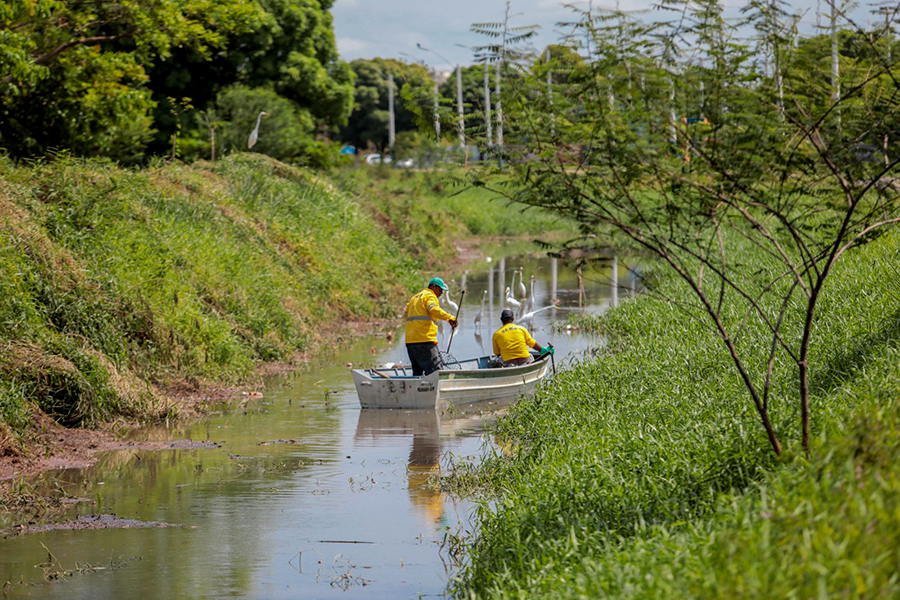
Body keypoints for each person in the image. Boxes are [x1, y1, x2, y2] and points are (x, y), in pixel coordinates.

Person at [405, 277, 458, 376]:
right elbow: (433, 309)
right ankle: (436, 391)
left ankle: (419, 391)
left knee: (417, 374)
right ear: (433, 287)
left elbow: (405, 316)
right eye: (440, 289)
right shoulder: (430, 296)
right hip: (425, 341)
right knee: (436, 372)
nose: (442, 292)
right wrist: (449, 318)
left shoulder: (414, 298)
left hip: (410, 342)